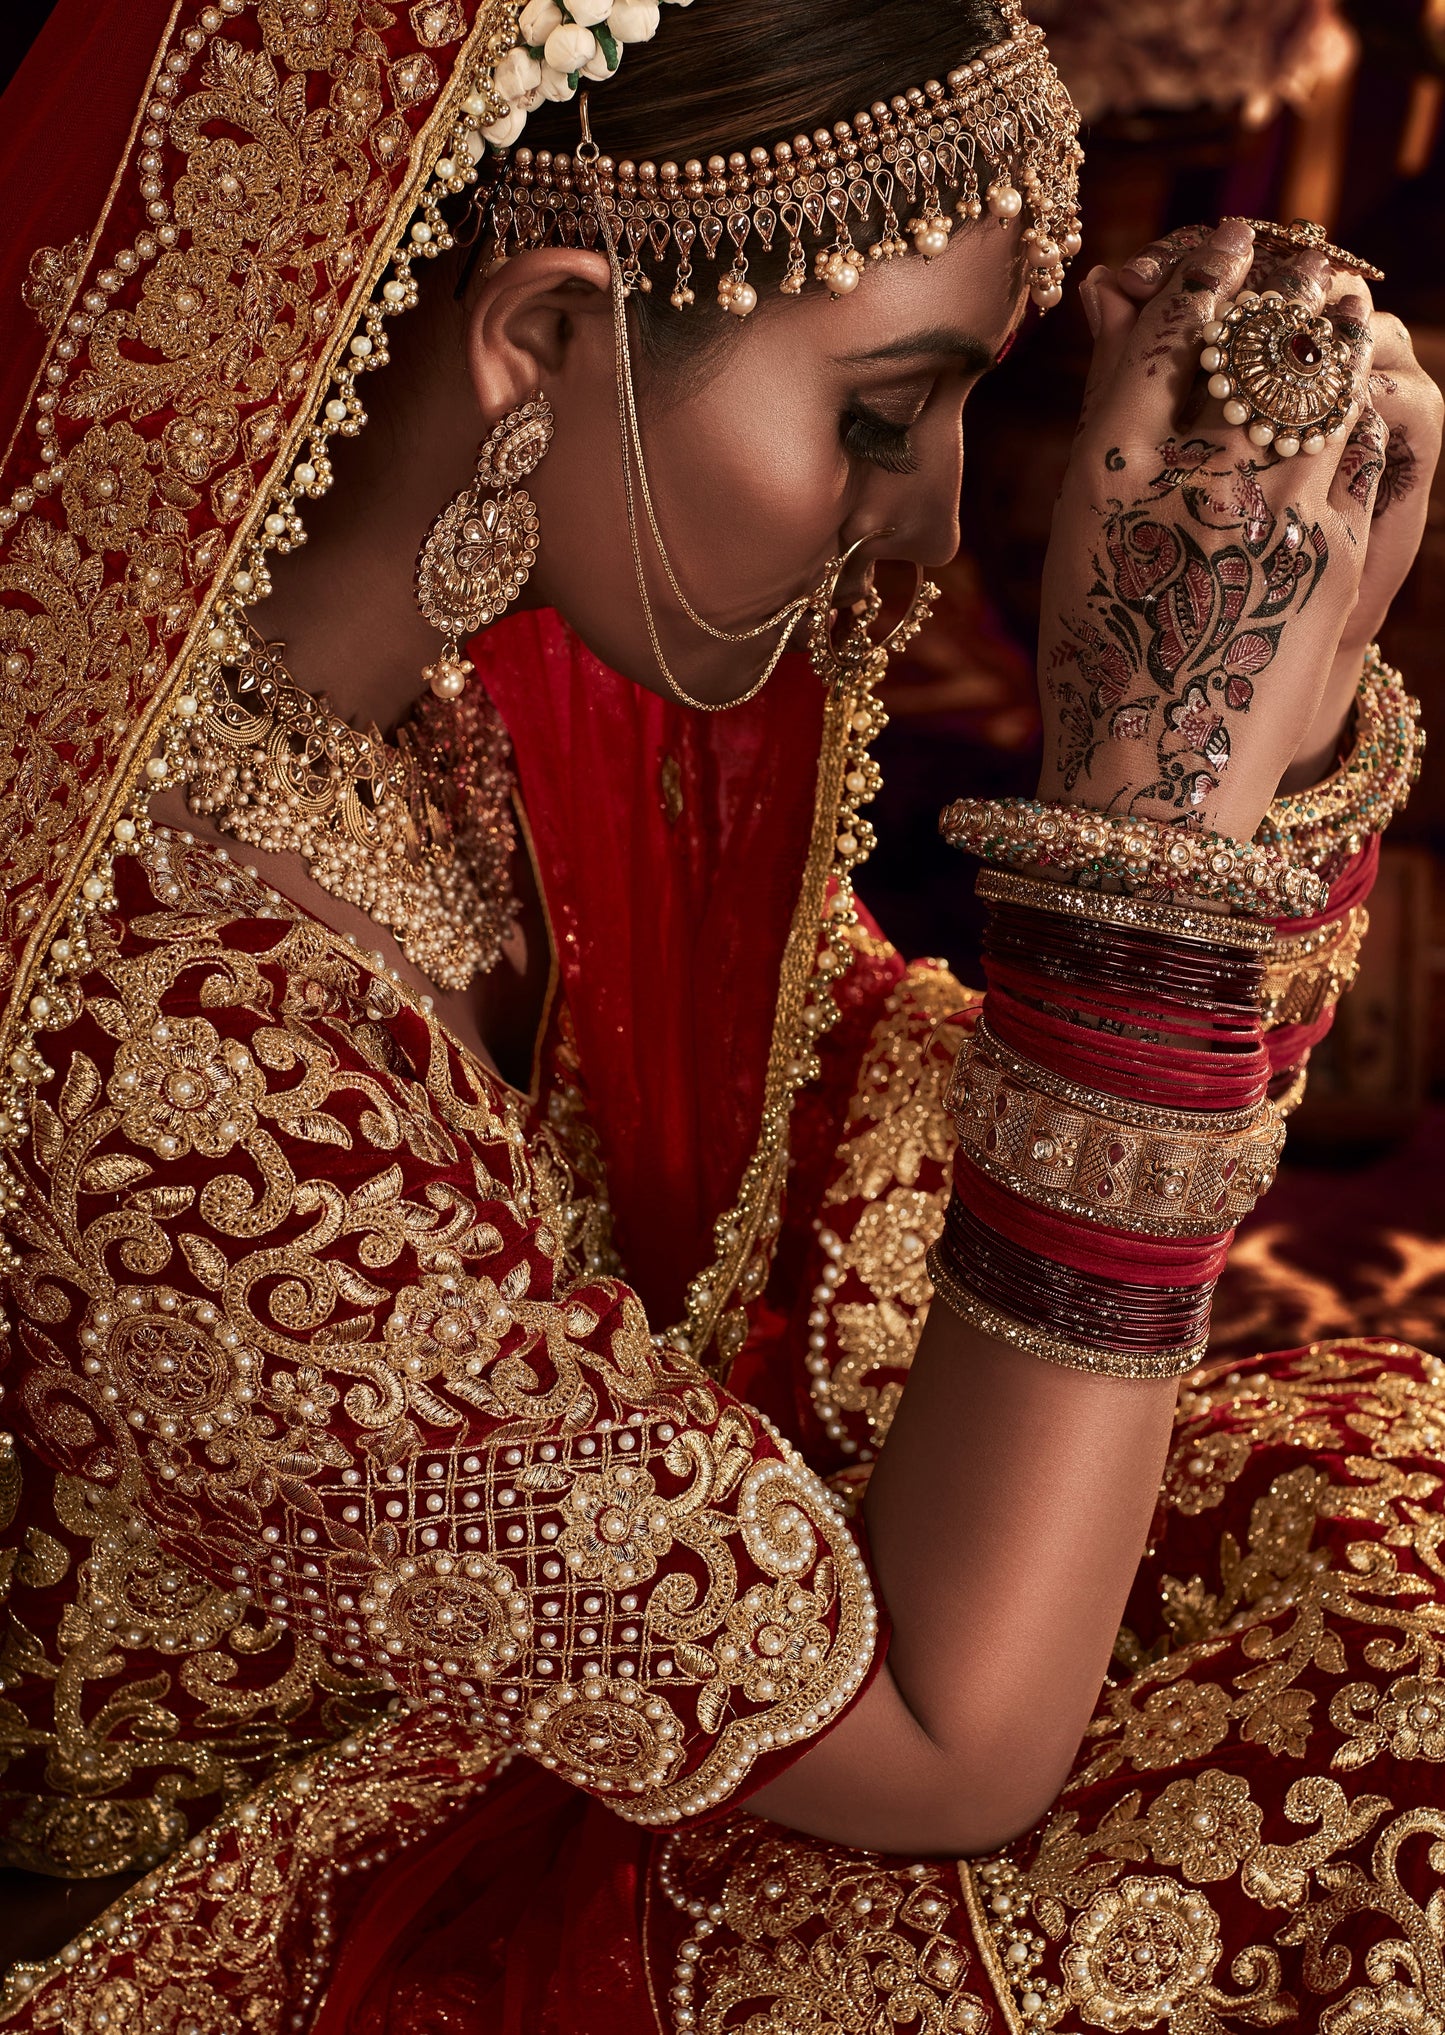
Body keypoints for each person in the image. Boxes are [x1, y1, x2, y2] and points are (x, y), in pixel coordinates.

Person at [0, 0, 1440, 2028]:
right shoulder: (167, 1023)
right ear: (547, 335)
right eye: (879, 416)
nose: (938, 521)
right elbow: (951, 1742)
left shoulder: (422, 729)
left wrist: (1235, 779)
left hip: (574, 1750)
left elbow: (867, 1172)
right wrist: (1155, 842)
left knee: (1393, 1549)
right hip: (283, 1927)